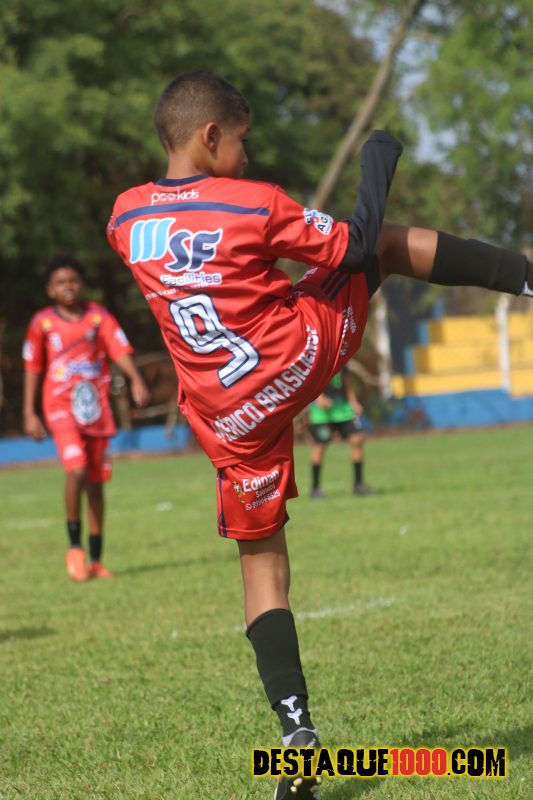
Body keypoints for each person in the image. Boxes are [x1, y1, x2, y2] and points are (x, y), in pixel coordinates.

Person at [106, 70, 533, 798]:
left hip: (225, 415)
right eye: (240, 141)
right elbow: (357, 247)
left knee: (260, 565)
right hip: (289, 357)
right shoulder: (251, 201)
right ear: (210, 135)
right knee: (387, 246)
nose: (246, 155)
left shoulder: (123, 218)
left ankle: (296, 732)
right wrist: (379, 154)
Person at [22, 254, 149, 583]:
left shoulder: (97, 317)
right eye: (60, 282)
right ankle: (74, 549)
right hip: (60, 407)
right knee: (76, 470)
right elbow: (33, 366)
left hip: (94, 409)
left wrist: (135, 378)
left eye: (73, 281)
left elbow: (118, 348)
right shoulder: (42, 324)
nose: (68, 287)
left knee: (95, 484)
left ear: (82, 284)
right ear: (50, 289)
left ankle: (96, 560)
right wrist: (29, 411)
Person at [308, 367, 375, 498]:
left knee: (357, 439)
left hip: (343, 410)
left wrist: (354, 402)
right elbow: (308, 381)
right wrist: (319, 398)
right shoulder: (316, 360)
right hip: (322, 413)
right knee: (320, 446)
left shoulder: (341, 360)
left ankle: (359, 484)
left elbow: (347, 383)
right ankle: (315, 489)